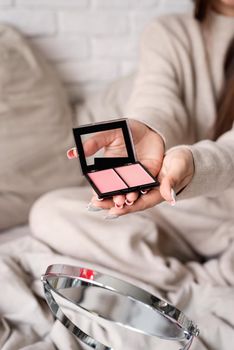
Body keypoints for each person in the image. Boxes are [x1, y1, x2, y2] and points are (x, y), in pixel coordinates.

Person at [30, 1, 234, 348]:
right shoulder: (170, 31)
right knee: (48, 212)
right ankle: (189, 280)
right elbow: (158, 98)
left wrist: (192, 162)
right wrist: (147, 129)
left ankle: (182, 276)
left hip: (223, 213)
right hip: (173, 205)